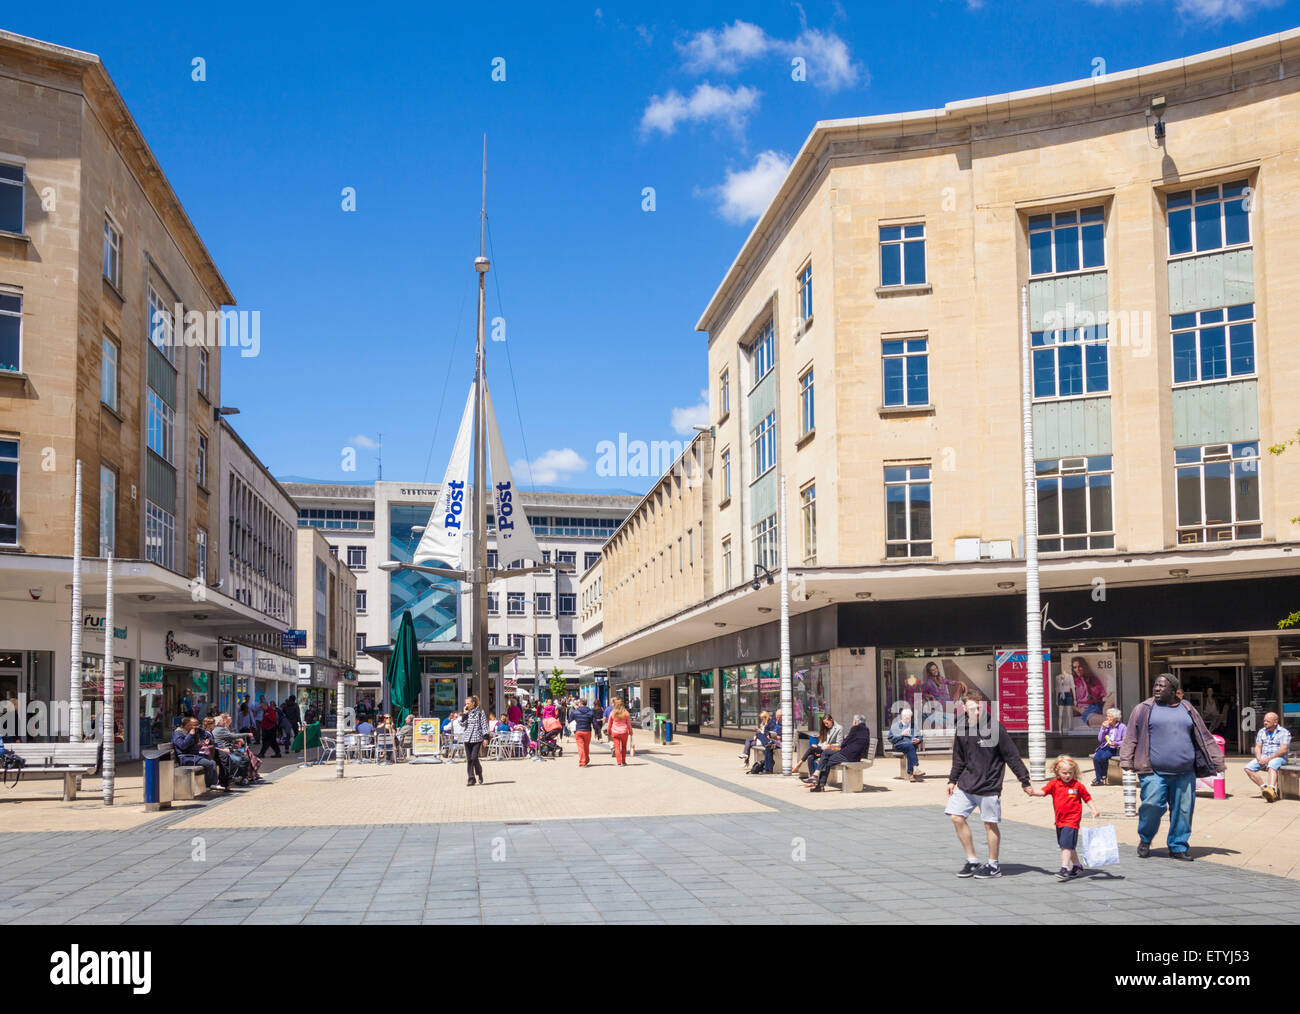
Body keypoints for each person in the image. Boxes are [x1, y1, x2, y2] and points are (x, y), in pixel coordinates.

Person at [1119, 672, 1224, 861]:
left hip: (1185, 773)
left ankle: (1178, 846)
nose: (1157, 689)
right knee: (1151, 806)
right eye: (1156, 685)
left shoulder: (1187, 708)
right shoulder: (1143, 709)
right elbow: (1131, 737)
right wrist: (1126, 760)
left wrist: (1217, 760)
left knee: (1183, 811)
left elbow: (1204, 735)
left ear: (1174, 691)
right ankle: (1145, 838)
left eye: (1162, 686)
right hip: (1153, 772)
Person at [946, 694, 1033, 879]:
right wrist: (952, 780)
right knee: (956, 817)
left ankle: (993, 865)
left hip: (989, 784)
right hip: (967, 783)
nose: (976, 712)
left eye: (979, 708)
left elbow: (1012, 756)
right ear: (964, 709)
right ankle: (972, 861)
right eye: (972, 709)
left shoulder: (995, 728)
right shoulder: (962, 728)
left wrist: (1024, 780)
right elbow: (959, 758)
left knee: (989, 824)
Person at [1028, 755, 1100, 881]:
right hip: (1059, 821)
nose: (1067, 775)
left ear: (1075, 772)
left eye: (1070, 773)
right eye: (1064, 773)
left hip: (1072, 820)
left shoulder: (1077, 786)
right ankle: (1077, 866)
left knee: (1066, 845)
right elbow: (1043, 792)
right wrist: (1033, 792)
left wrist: (1094, 809)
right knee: (1066, 846)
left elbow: (1087, 798)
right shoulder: (1054, 784)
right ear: (1057, 771)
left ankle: (1064, 868)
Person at [809, 714, 871, 791]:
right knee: (826, 755)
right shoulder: (866, 730)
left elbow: (844, 743)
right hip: (854, 756)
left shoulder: (855, 728)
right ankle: (818, 781)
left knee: (826, 758)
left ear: (855, 722)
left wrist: (843, 746)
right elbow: (865, 745)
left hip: (848, 755)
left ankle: (817, 780)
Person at [1245, 712, 1292, 802]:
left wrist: (1269, 758)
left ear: (1275, 722)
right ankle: (1264, 788)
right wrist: (1259, 757)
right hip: (1264, 757)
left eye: (1268, 721)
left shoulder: (1283, 732)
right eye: (1264, 721)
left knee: (1272, 764)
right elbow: (1258, 746)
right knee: (1248, 768)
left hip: (1279, 757)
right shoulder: (1262, 731)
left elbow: (1283, 749)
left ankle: (1271, 789)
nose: (1265, 723)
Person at [172, 718, 225, 792]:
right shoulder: (178, 733)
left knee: (213, 761)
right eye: (189, 725)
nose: (191, 727)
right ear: (182, 726)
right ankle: (209, 785)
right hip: (186, 758)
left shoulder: (190, 732)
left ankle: (213, 784)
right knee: (209, 763)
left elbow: (200, 739)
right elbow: (182, 745)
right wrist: (190, 735)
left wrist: (199, 740)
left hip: (194, 756)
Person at [794, 714, 842, 780]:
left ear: (831, 720)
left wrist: (829, 746)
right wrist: (818, 747)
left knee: (812, 748)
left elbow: (839, 744)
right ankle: (812, 779)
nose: (826, 725)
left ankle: (800, 763)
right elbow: (822, 741)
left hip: (831, 751)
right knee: (810, 757)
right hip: (823, 749)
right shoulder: (825, 729)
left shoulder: (839, 728)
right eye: (824, 724)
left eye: (827, 723)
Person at [1069, 656, 1108, 728]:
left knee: (1113, 696)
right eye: (1075, 667)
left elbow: (1102, 696)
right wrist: (1079, 710)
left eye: (1079, 666)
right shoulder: (1072, 682)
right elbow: (1068, 703)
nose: (1077, 670)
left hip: (1098, 705)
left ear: (1084, 666)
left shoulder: (1094, 679)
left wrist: (1107, 698)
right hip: (1085, 709)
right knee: (1094, 718)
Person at [888, 707, 926, 780]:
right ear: (902, 717)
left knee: (910, 749)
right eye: (906, 718)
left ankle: (911, 774)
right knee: (910, 747)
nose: (908, 720)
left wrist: (918, 740)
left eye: (909, 718)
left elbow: (920, 736)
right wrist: (901, 734)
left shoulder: (913, 725)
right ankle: (915, 768)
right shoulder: (895, 726)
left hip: (911, 745)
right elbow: (891, 738)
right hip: (899, 745)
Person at [1092, 708, 1126, 785]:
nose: (1108, 718)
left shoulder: (1122, 727)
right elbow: (1100, 739)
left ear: (1116, 718)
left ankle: (1102, 776)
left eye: (1110, 716)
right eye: (1107, 716)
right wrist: (1103, 728)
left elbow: (1125, 741)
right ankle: (1099, 778)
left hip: (1114, 748)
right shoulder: (1106, 726)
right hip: (1104, 746)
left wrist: (1116, 743)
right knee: (1096, 758)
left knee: (1104, 757)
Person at [461, 695, 489, 786]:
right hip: (467, 738)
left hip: (477, 738)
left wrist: (486, 738)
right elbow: (462, 724)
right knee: (469, 759)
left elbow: (484, 725)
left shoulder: (480, 712)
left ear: (473, 703)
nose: (467, 705)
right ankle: (471, 778)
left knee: (474, 757)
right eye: (466, 704)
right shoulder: (466, 713)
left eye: (468, 703)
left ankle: (479, 773)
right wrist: (464, 714)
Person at [608, 699, 634, 766]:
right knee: (624, 747)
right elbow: (629, 724)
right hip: (624, 732)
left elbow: (609, 723)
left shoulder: (612, 713)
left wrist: (608, 731)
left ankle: (619, 762)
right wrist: (630, 731)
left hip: (615, 732)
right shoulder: (626, 713)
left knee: (617, 747)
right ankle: (624, 761)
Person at [571, 698, 596, 767]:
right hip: (587, 731)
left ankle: (582, 762)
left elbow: (570, 720)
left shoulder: (574, 712)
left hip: (578, 731)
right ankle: (586, 759)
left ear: (580, 703)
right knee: (586, 746)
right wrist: (597, 732)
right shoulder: (591, 712)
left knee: (580, 747)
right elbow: (594, 723)